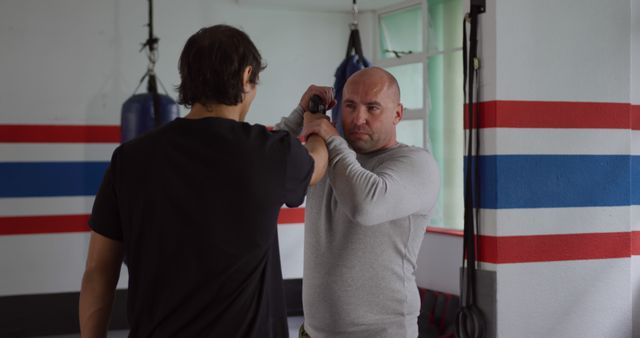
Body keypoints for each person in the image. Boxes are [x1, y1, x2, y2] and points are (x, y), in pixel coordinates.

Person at [79, 24, 328, 338]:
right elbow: (317, 165)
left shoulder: (129, 158)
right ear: (246, 75)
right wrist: (317, 122)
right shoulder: (269, 152)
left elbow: (98, 272)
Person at [276, 67, 440, 338]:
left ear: (397, 114)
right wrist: (299, 115)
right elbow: (263, 162)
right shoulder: (328, 155)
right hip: (314, 332)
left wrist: (330, 137)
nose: (358, 118)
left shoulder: (416, 164)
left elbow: (365, 205)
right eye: (350, 106)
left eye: (372, 108)